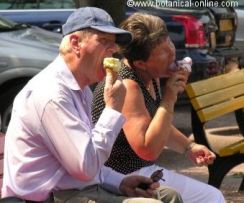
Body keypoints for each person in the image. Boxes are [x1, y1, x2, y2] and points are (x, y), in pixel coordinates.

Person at [1, 7, 182, 203]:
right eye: (104, 41)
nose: (113, 50)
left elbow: (88, 162)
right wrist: (112, 109)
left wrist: (121, 182)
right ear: (76, 43)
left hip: (78, 189)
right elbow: (85, 168)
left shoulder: (80, 89)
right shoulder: (52, 94)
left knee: (169, 196)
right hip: (47, 198)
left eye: (113, 44)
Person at [92, 12, 226, 203]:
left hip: (141, 170)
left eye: (169, 43)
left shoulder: (150, 75)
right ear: (140, 63)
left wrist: (189, 147)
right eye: (162, 51)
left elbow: (155, 124)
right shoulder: (128, 86)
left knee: (211, 196)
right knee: (212, 198)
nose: (172, 53)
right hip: (121, 176)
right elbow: (147, 149)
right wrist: (170, 98)